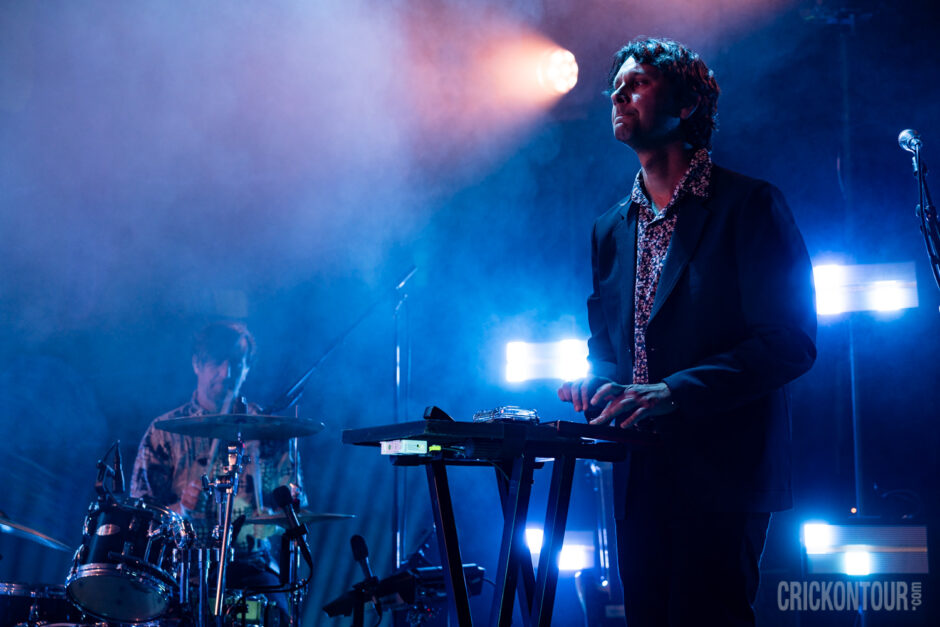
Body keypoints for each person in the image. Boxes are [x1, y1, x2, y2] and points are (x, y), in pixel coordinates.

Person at [558, 38, 817, 626]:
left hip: (723, 476)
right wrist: (594, 381)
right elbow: (607, 349)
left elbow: (790, 342)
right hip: (638, 478)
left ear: (688, 104)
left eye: (638, 82)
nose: (617, 94)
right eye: (616, 86)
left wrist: (672, 392)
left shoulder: (749, 206)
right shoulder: (608, 229)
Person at [131, 321, 304, 617]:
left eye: (236, 363)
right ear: (197, 363)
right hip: (182, 571)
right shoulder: (164, 433)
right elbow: (139, 519)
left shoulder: (269, 431)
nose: (226, 373)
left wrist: (277, 511)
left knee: (277, 615)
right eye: (217, 362)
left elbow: (294, 510)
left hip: (253, 570)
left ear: (247, 368)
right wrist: (179, 508)